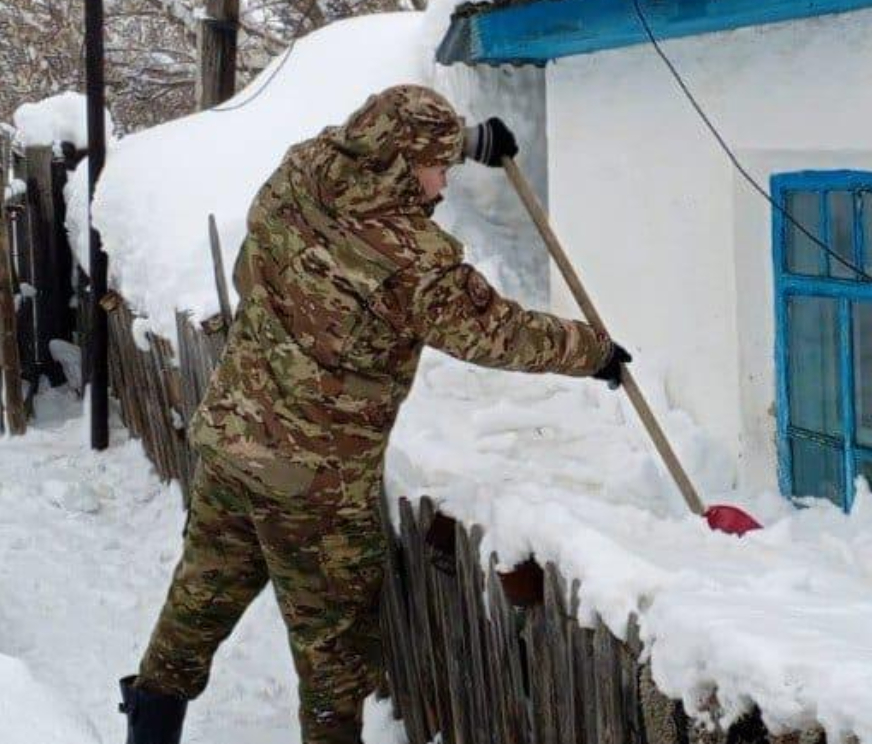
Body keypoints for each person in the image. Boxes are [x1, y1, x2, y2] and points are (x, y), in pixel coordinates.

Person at [118, 85, 630, 744]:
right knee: (332, 657)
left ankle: (148, 732)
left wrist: (470, 141)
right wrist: (593, 352)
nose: (445, 182)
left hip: (229, 439)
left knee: (199, 601)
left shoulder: (299, 171)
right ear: (400, 161)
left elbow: (263, 259)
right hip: (315, 488)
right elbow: (495, 332)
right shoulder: (412, 259)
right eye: (437, 165)